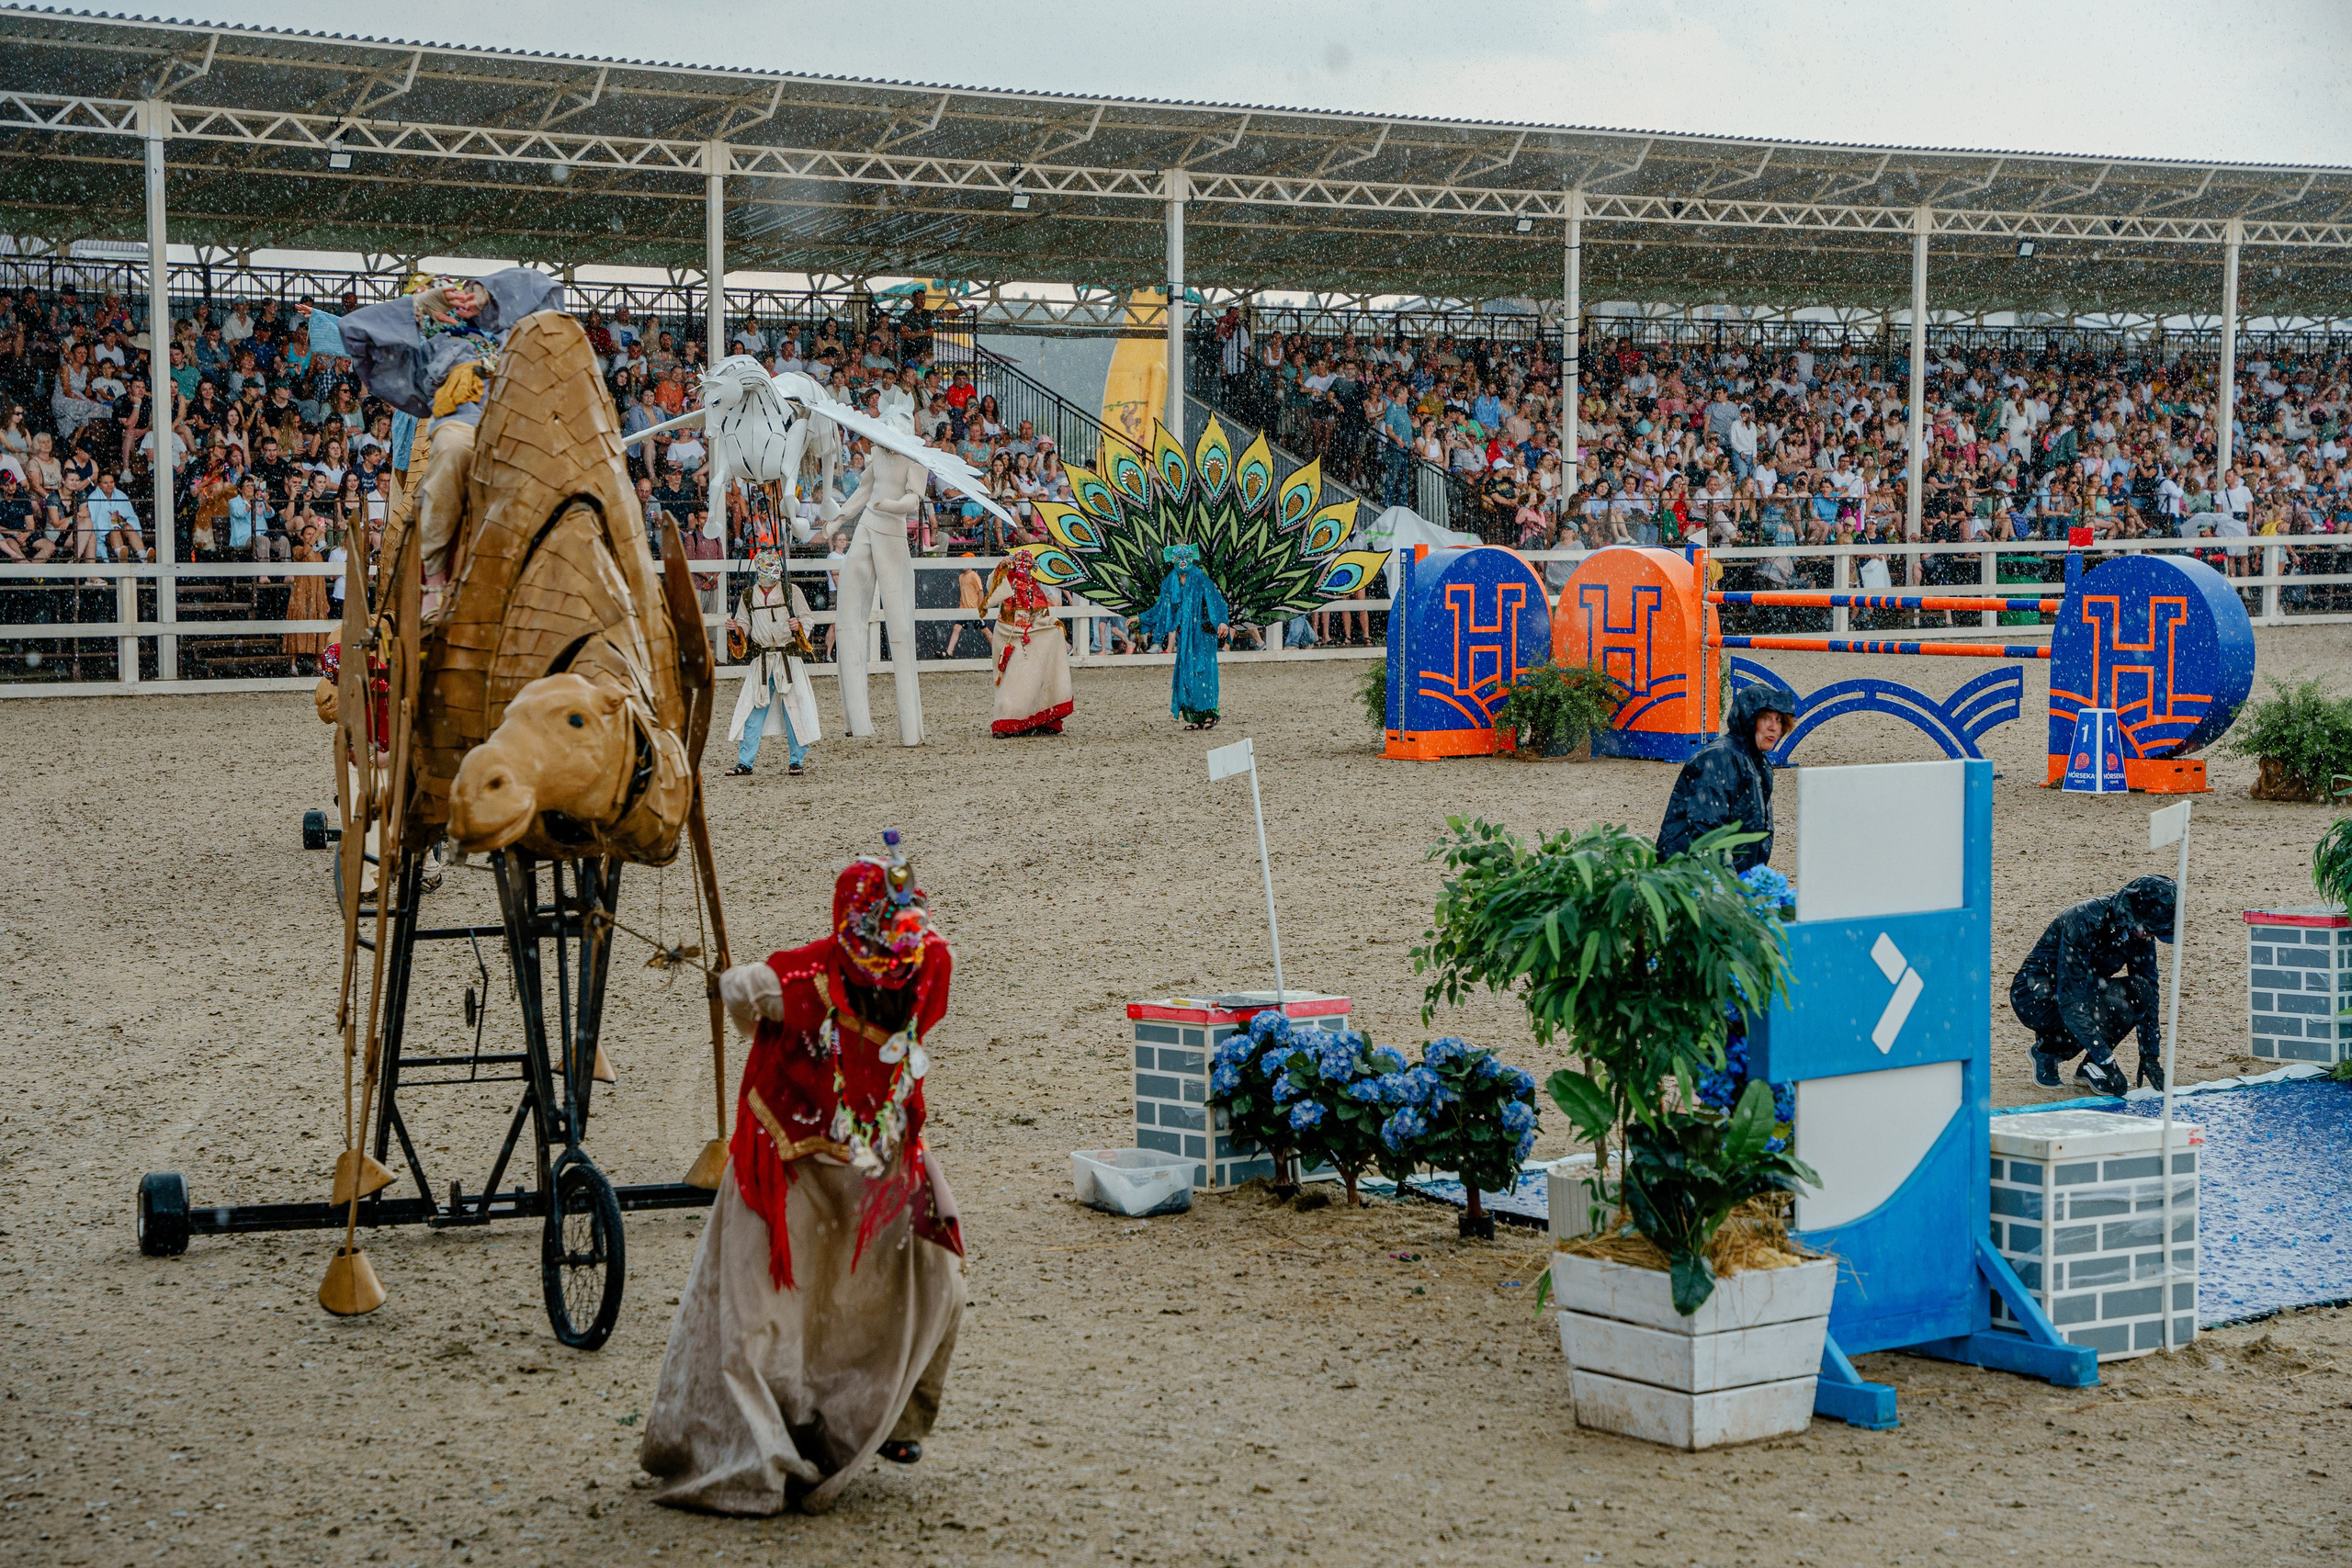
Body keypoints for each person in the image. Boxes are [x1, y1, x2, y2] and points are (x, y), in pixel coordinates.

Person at [640, 835, 963, 1515]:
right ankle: (754, 1448)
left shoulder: (933, 963)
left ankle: (894, 1419)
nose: (889, 969)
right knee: (761, 1311)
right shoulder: (793, 981)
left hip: (878, 1149)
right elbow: (741, 994)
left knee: (938, 1276)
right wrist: (735, 990)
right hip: (784, 1156)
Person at [2010, 875, 2176, 1096]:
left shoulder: (2140, 931)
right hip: (2036, 997)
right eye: (2150, 929)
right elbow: (2070, 999)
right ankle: (2048, 1050)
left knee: (2140, 991)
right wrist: (2108, 1061)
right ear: (2135, 914)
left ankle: (2089, 1067)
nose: (2151, 936)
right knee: (2115, 1010)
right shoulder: (2083, 919)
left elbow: (2150, 990)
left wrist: (2149, 1056)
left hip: (2085, 988)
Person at [1655, 683, 1799, 874]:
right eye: (1765, 718)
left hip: (1727, 879)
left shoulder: (1757, 761)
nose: (1774, 727)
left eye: (1779, 720)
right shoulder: (1721, 757)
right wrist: (1729, 887)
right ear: (1749, 719)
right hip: (1693, 881)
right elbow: (1706, 830)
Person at [723, 548, 820, 779]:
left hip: (788, 659)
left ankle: (796, 760)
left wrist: (799, 626)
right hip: (763, 659)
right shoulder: (749, 595)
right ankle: (745, 761)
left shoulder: (790, 591)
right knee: (753, 708)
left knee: (794, 709)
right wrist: (735, 630)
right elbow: (745, 625)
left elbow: (807, 619)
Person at [1137, 542, 1229, 730]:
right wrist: (1139, 618)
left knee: (1204, 672)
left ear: (1192, 558)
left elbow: (1216, 601)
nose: (1183, 562)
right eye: (1179, 558)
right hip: (1186, 636)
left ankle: (1210, 713)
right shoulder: (1170, 581)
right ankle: (1194, 715)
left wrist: (1221, 621)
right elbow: (1162, 608)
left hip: (1203, 634)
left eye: (1186, 558)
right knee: (1187, 672)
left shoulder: (1201, 579)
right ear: (1173, 559)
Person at [984, 550, 1072, 736]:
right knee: (1010, 682)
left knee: (1030, 681)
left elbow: (1039, 617)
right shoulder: (1007, 582)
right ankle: (1006, 721)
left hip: (1027, 637)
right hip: (1008, 636)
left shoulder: (1034, 589)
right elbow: (992, 587)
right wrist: (1001, 567)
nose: (1026, 571)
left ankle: (1032, 719)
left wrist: (1050, 624)